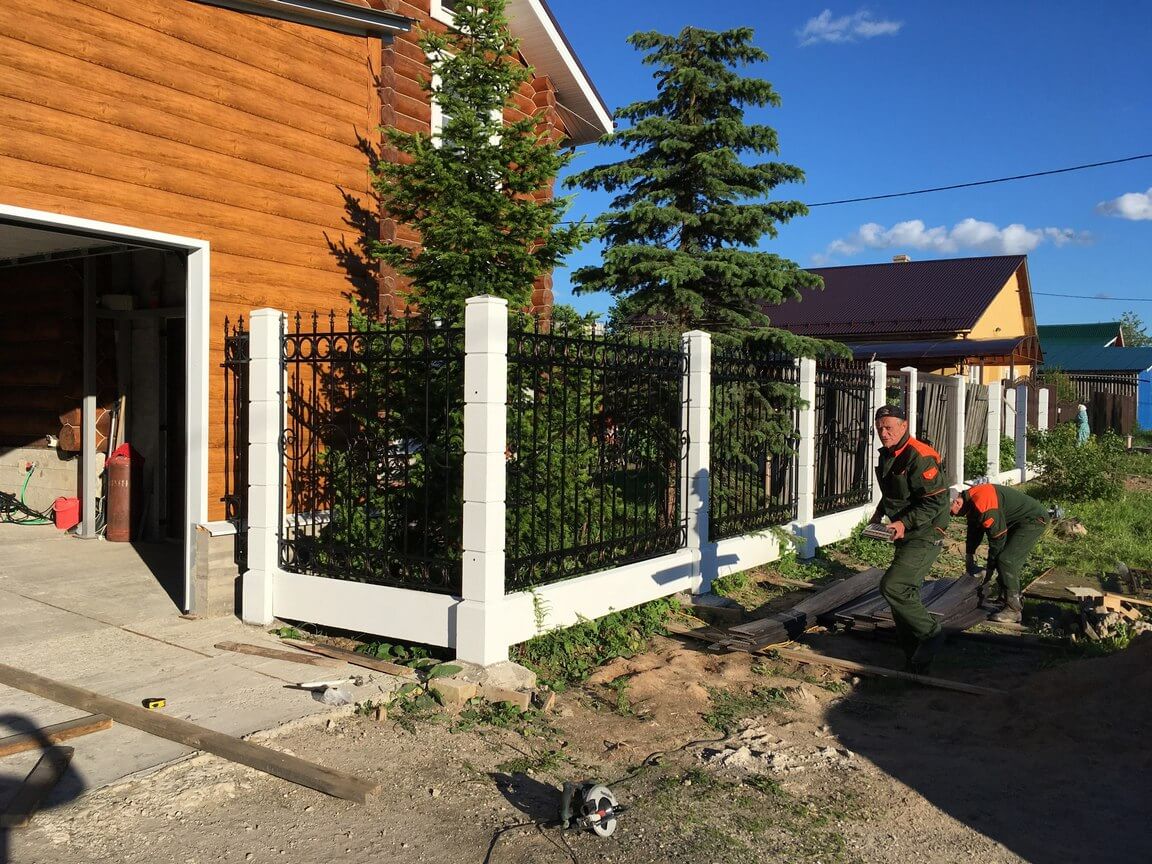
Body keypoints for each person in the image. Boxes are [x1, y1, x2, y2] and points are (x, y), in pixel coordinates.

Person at [870, 405, 950, 673]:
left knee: (893, 586)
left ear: (904, 426)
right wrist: (879, 514)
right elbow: (893, 493)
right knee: (904, 593)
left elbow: (936, 502)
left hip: (926, 532)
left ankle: (931, 634)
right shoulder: (889, 454)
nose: (883, 433)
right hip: (906, 530)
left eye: (889, 427)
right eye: (879, 428)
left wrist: (903, 523)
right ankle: (915, 660)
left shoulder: (920, 456)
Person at [950, 483, 1048, 623]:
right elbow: (974, 530)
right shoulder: (971, 500)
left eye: (951, 511)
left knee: (1007, 560)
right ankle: (1004, 597)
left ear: (957, 502)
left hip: (1033, 519)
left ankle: (1013, 610)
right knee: (1003, 559)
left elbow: (997, 539)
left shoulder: (984, 504)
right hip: (1015, 520)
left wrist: (990, 569)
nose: (952, 515)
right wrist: (969, 557)